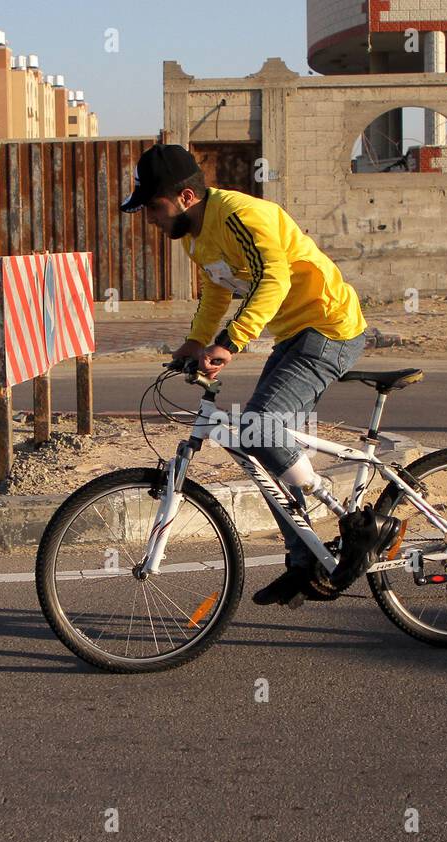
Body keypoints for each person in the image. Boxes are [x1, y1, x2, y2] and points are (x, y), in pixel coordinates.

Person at [120, 144, 374, 606]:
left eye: (153, 208)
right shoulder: (197, 239)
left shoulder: (239, 214)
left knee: (261, 428)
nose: (150, 219)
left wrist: (231, 341)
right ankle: (305, 563)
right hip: (293, 335)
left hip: (328, 326)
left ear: (186, 198)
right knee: (260, 443)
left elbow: (273, 278)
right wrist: (197, 341)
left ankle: (351, 522)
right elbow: (217, 291)